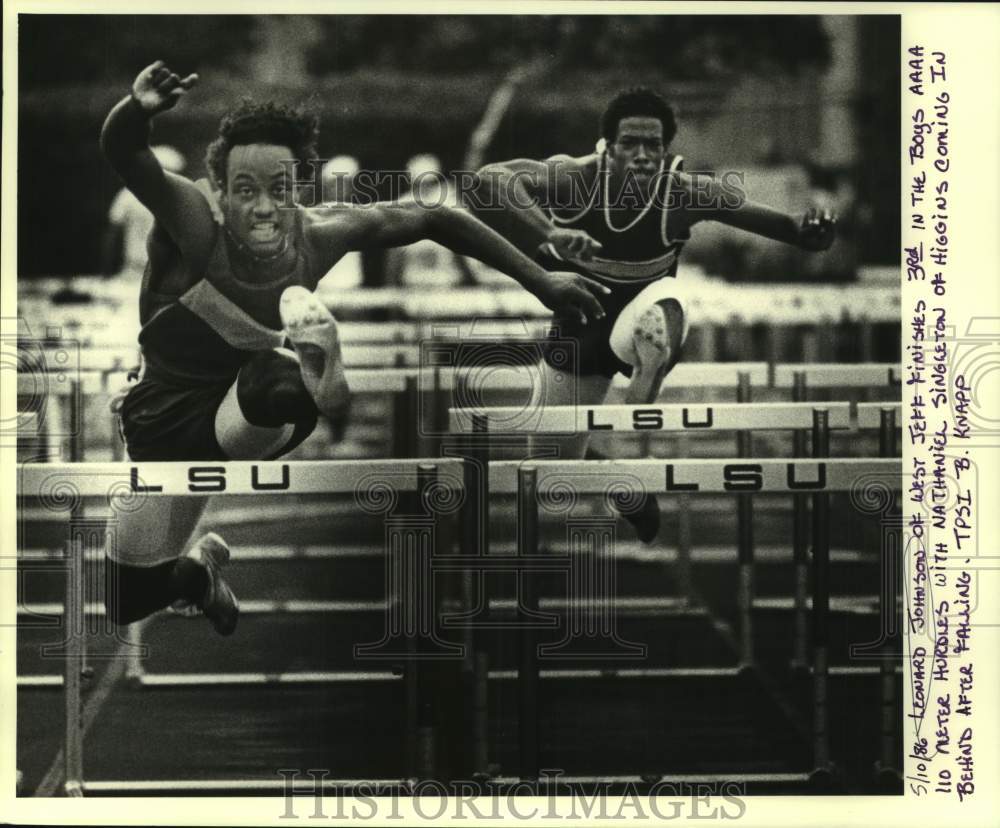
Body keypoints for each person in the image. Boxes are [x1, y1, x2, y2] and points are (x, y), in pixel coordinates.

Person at [100, 61, 608, 635]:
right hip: (158, 420)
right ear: (219, 189)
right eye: (245, 191)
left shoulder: (321, 234)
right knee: (125, 601)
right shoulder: (193, 219)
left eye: (279, 189)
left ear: (302, 188)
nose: (263, 207)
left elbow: (437, 216)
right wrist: (136, 108)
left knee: (276, 381)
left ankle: (319, 377)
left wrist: (542, 281)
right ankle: (199, 574)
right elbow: (126, 153)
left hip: (239, 412)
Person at [471, 87, 835, 542]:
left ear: (667, 151)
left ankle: (652, 362)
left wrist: (810, 233)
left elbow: (784, 226)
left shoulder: (682, 193)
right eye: (630, 144)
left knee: (661, 307)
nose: (643, 156)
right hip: (581, 327)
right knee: (550, 461)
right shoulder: (574, 179)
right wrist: (550, 230)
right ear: (607, 148)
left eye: (654, 146)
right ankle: (625, 486)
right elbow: (488, 178)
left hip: (648, 310)